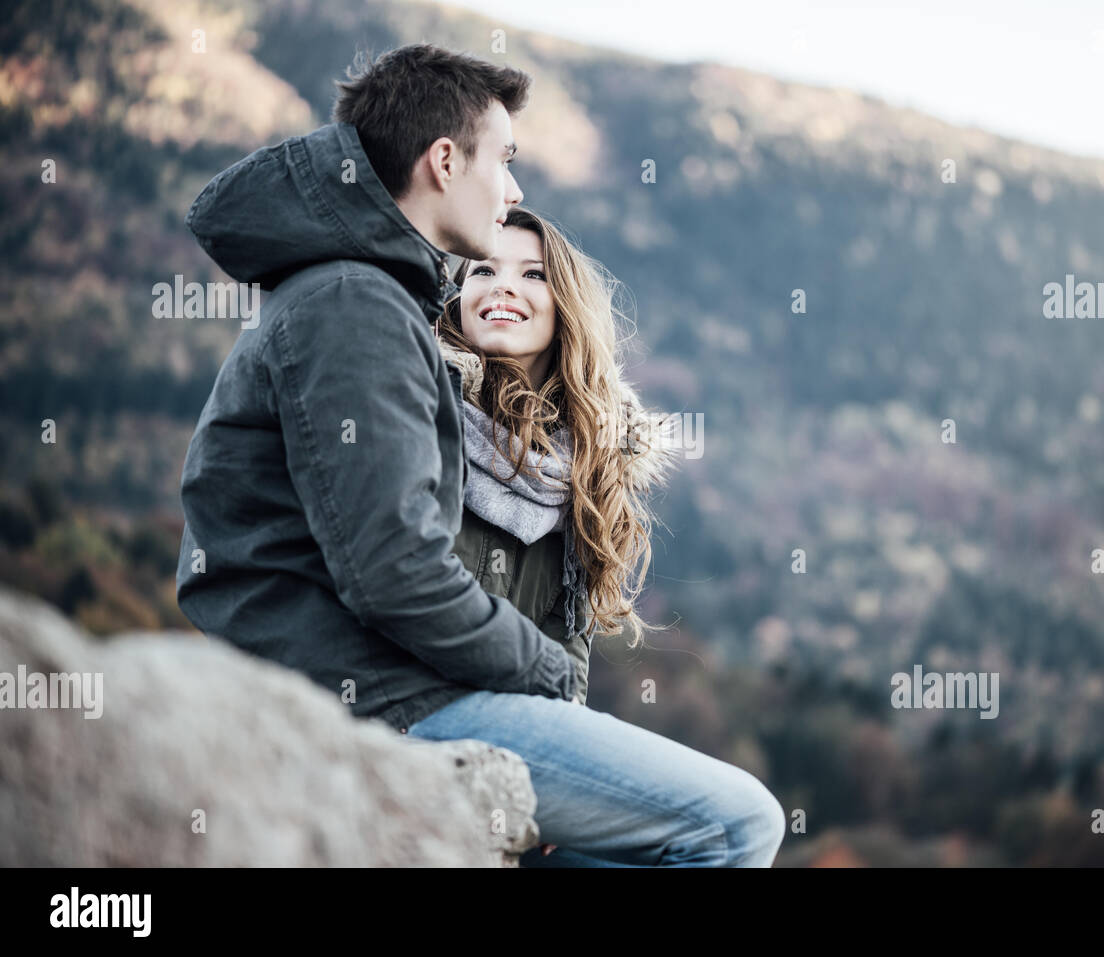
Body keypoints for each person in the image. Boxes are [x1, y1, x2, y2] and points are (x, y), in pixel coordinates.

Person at [174, 43, 784, 866]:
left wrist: (550, 677)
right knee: (739, 822)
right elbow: (393, 569)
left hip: (406, 688)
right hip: (378, 699)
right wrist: (539, 670)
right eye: (505, 160)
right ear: (445, 160)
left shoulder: (367, 297)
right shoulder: (357, 303)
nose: (514, 188)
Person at [424, 206, 787, 866]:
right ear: (455, 295)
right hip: (428, 707)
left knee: (658, 850)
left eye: (532, 274)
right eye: (483, 269)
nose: (503, 285)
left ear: (565, 306)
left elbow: (572, 640)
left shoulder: (588, 457)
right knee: (745, 824)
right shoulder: (422, 407)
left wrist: (569, 753)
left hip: (528, 733)